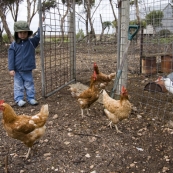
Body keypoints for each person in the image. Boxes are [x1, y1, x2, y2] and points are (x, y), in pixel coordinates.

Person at [8, 20, 41, 107]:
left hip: (27, 70)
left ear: (28, 33)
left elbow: (38, 37)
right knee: (18, 86)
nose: (23, 34)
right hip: (17, 70)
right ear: (17, 33)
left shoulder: (31, 42)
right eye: (20, 33)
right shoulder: (14, 45)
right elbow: (11, 58)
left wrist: (40, 24)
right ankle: (19, 99)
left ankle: (31, 98)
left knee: (29, 84)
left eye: (25, 32)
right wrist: (11, 68)